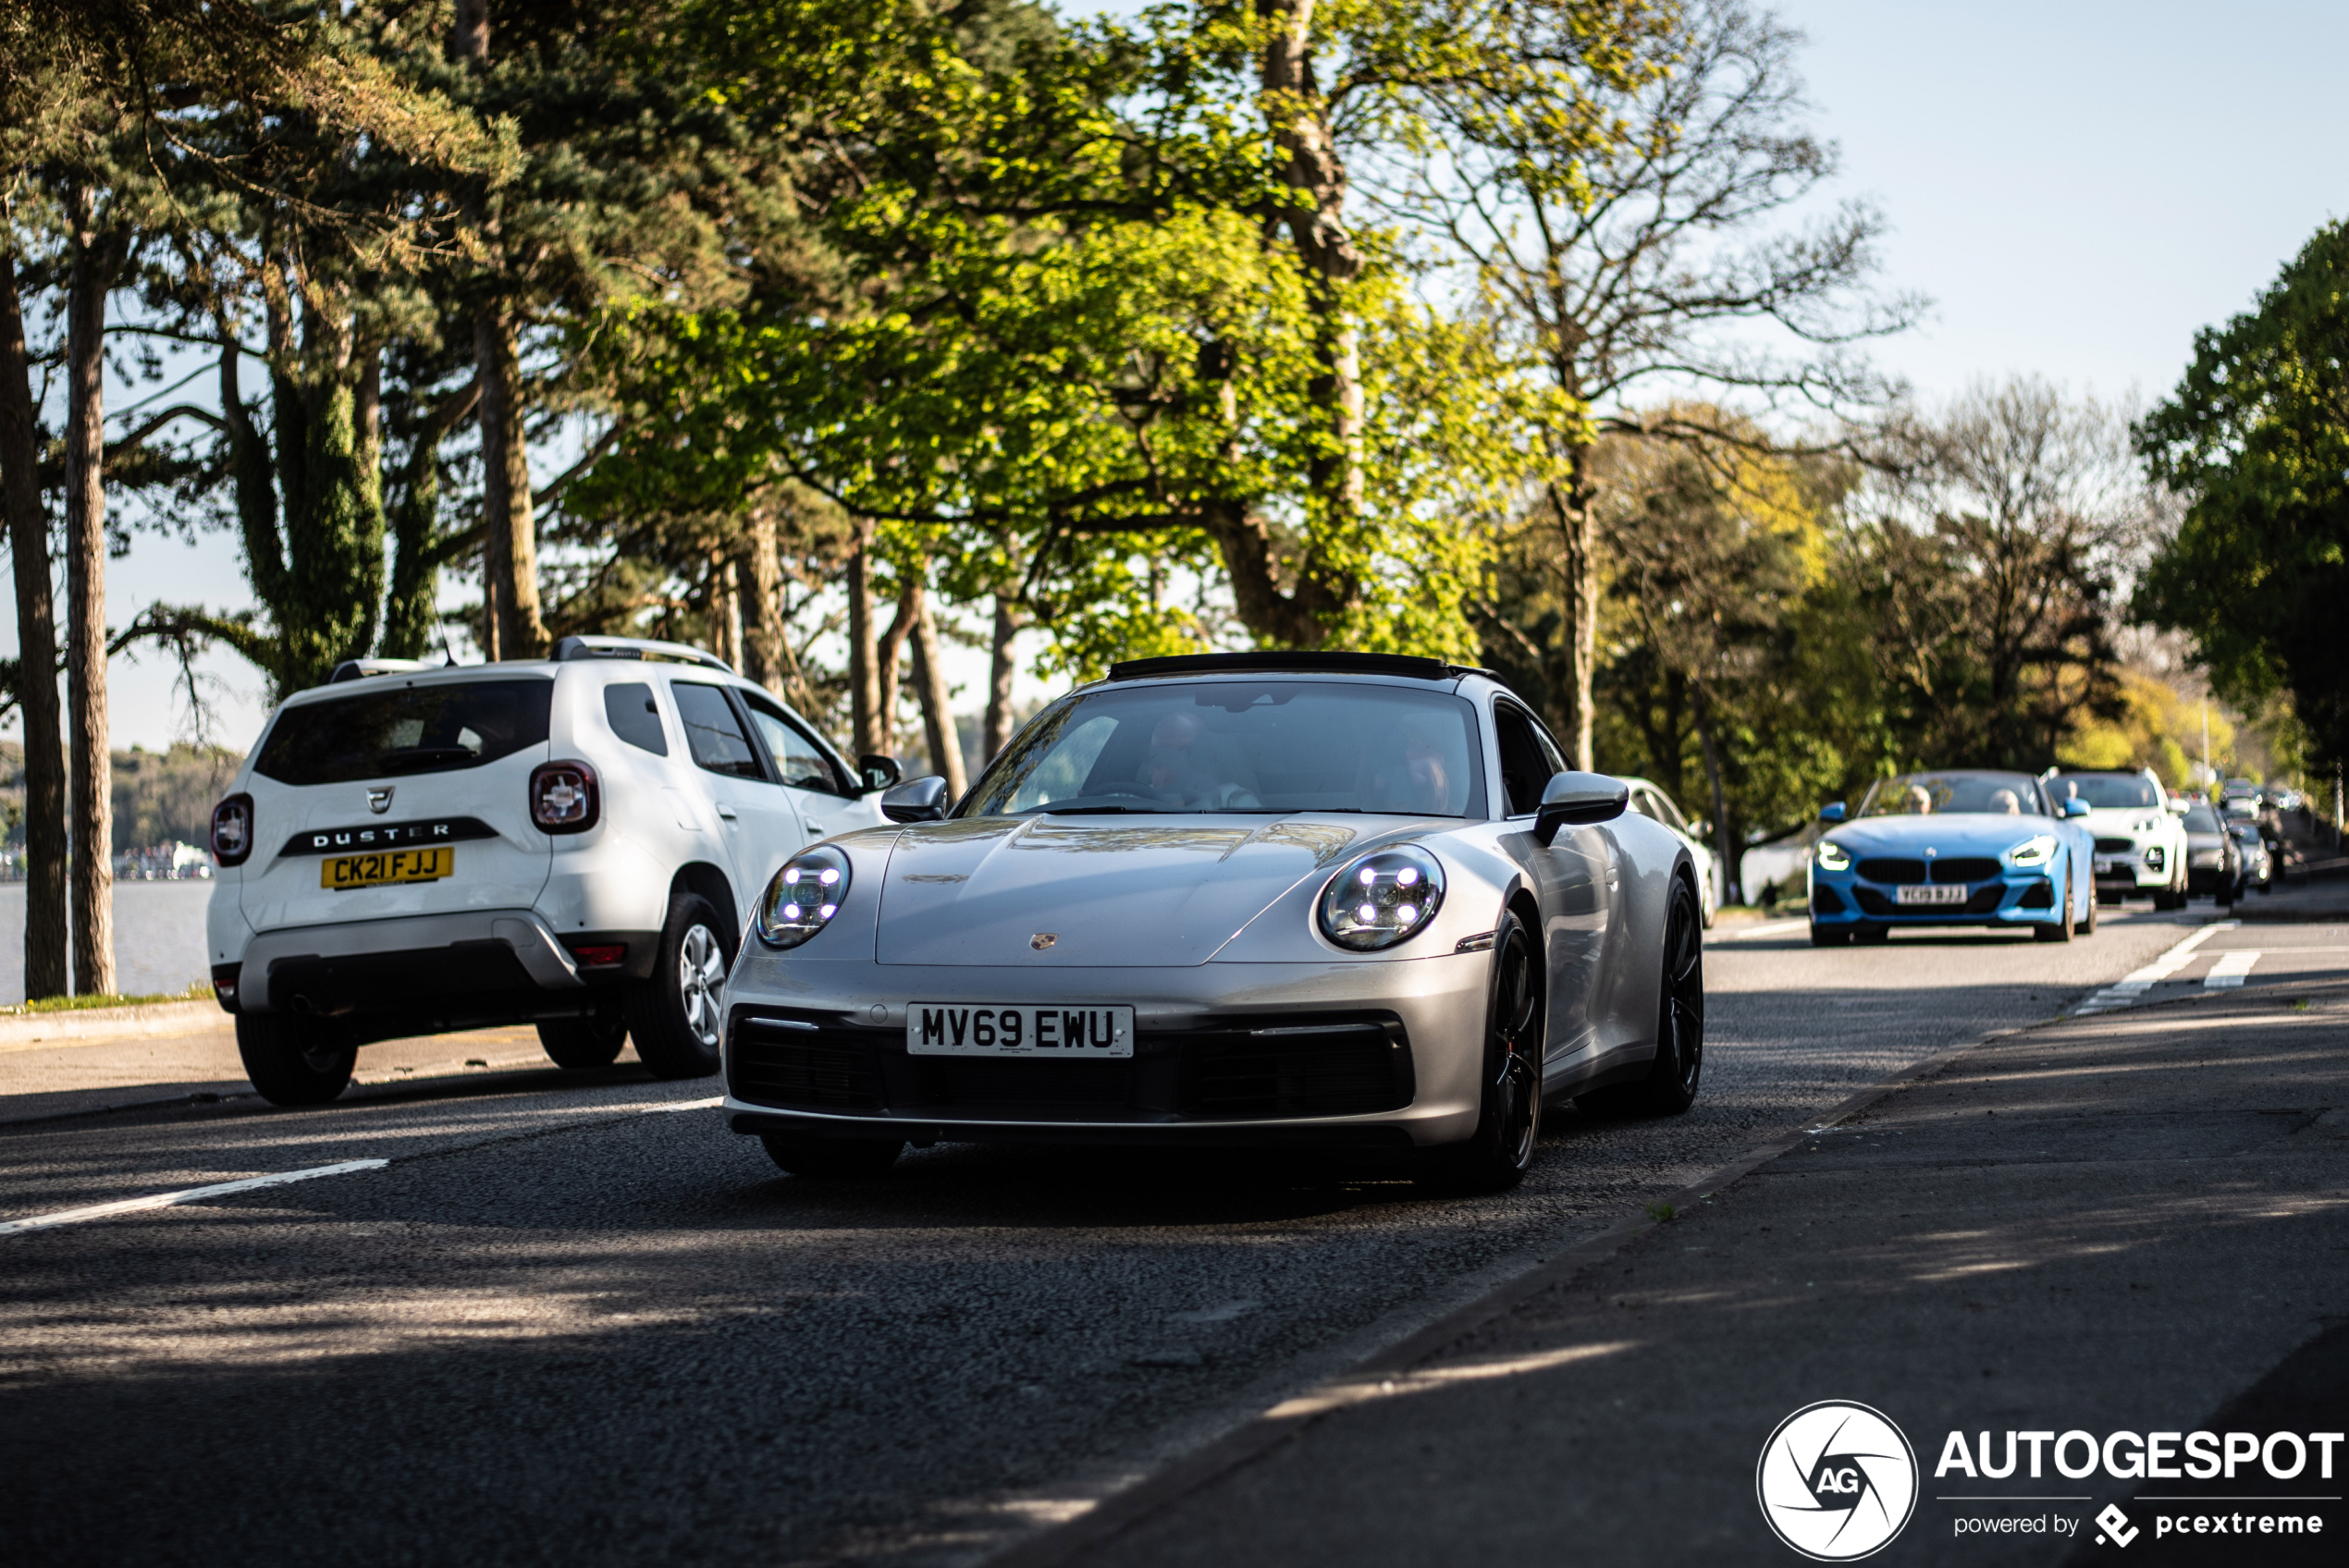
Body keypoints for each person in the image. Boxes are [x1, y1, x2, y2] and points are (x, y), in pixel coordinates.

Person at [1144, 712, 1260, 809]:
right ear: (1149, 765)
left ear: (1204, 759)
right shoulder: (1134, 801)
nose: (1173, 764)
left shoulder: (1234, 803)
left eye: (1187, 753)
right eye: (1161, 755)